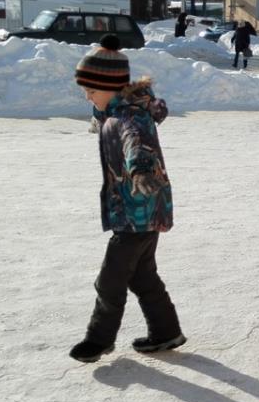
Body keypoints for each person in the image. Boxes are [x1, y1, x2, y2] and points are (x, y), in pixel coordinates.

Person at [69, 34, 186, 363]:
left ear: (112, 86)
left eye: (92, 90)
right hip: (140, 210)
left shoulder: (128, 118)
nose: (88, 96)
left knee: (110, 279)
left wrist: (142, 171)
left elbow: (138, 143)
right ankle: (166, 332)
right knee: (141, 275)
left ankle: (98, 340)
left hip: (138, 209)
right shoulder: (117, 113)